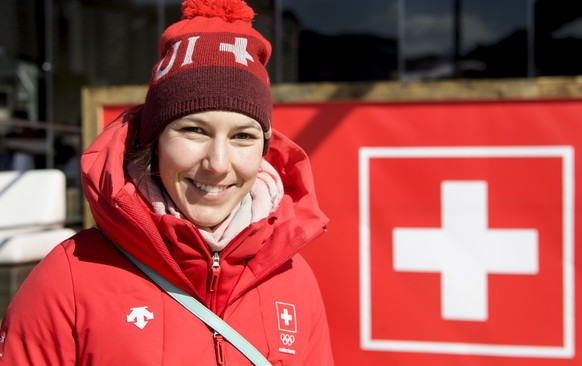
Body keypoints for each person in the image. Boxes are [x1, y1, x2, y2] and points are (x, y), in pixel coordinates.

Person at [0, 0, 334, 364]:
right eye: (193, 130)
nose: (218, 164)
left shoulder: (293, 277)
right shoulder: (68, 279)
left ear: (264, 149)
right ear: (153, 141)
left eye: (243, 136)